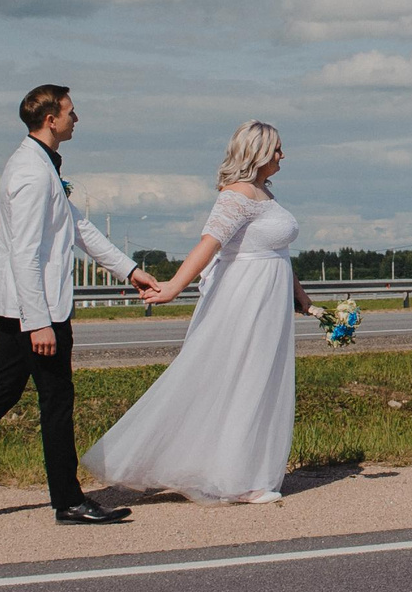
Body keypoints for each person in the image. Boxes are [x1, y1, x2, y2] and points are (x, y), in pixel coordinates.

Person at [0, 84, 160, 529]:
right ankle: (67, 500)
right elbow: (24, 253)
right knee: (56, 400)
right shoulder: (29, 171)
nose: (76, 118)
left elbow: (79, 228)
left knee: (2, 395)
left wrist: (129, 270)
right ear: (50, 119)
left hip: (28, 308)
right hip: (36, 310)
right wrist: (38, 322)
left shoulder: (41, 166)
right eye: (70, 111)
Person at [82, 120, 311, 504]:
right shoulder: (236, 196)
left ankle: (243, 470)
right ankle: (236, 480)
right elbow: (209, 244)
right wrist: (174, 286)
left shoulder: (265, 195)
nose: (282, 156)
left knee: (262, 379)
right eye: (276, 149)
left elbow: (279, 253)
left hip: (271, 299)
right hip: (245, 300)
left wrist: (300, 296)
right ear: (256, 153)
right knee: (241, 377)